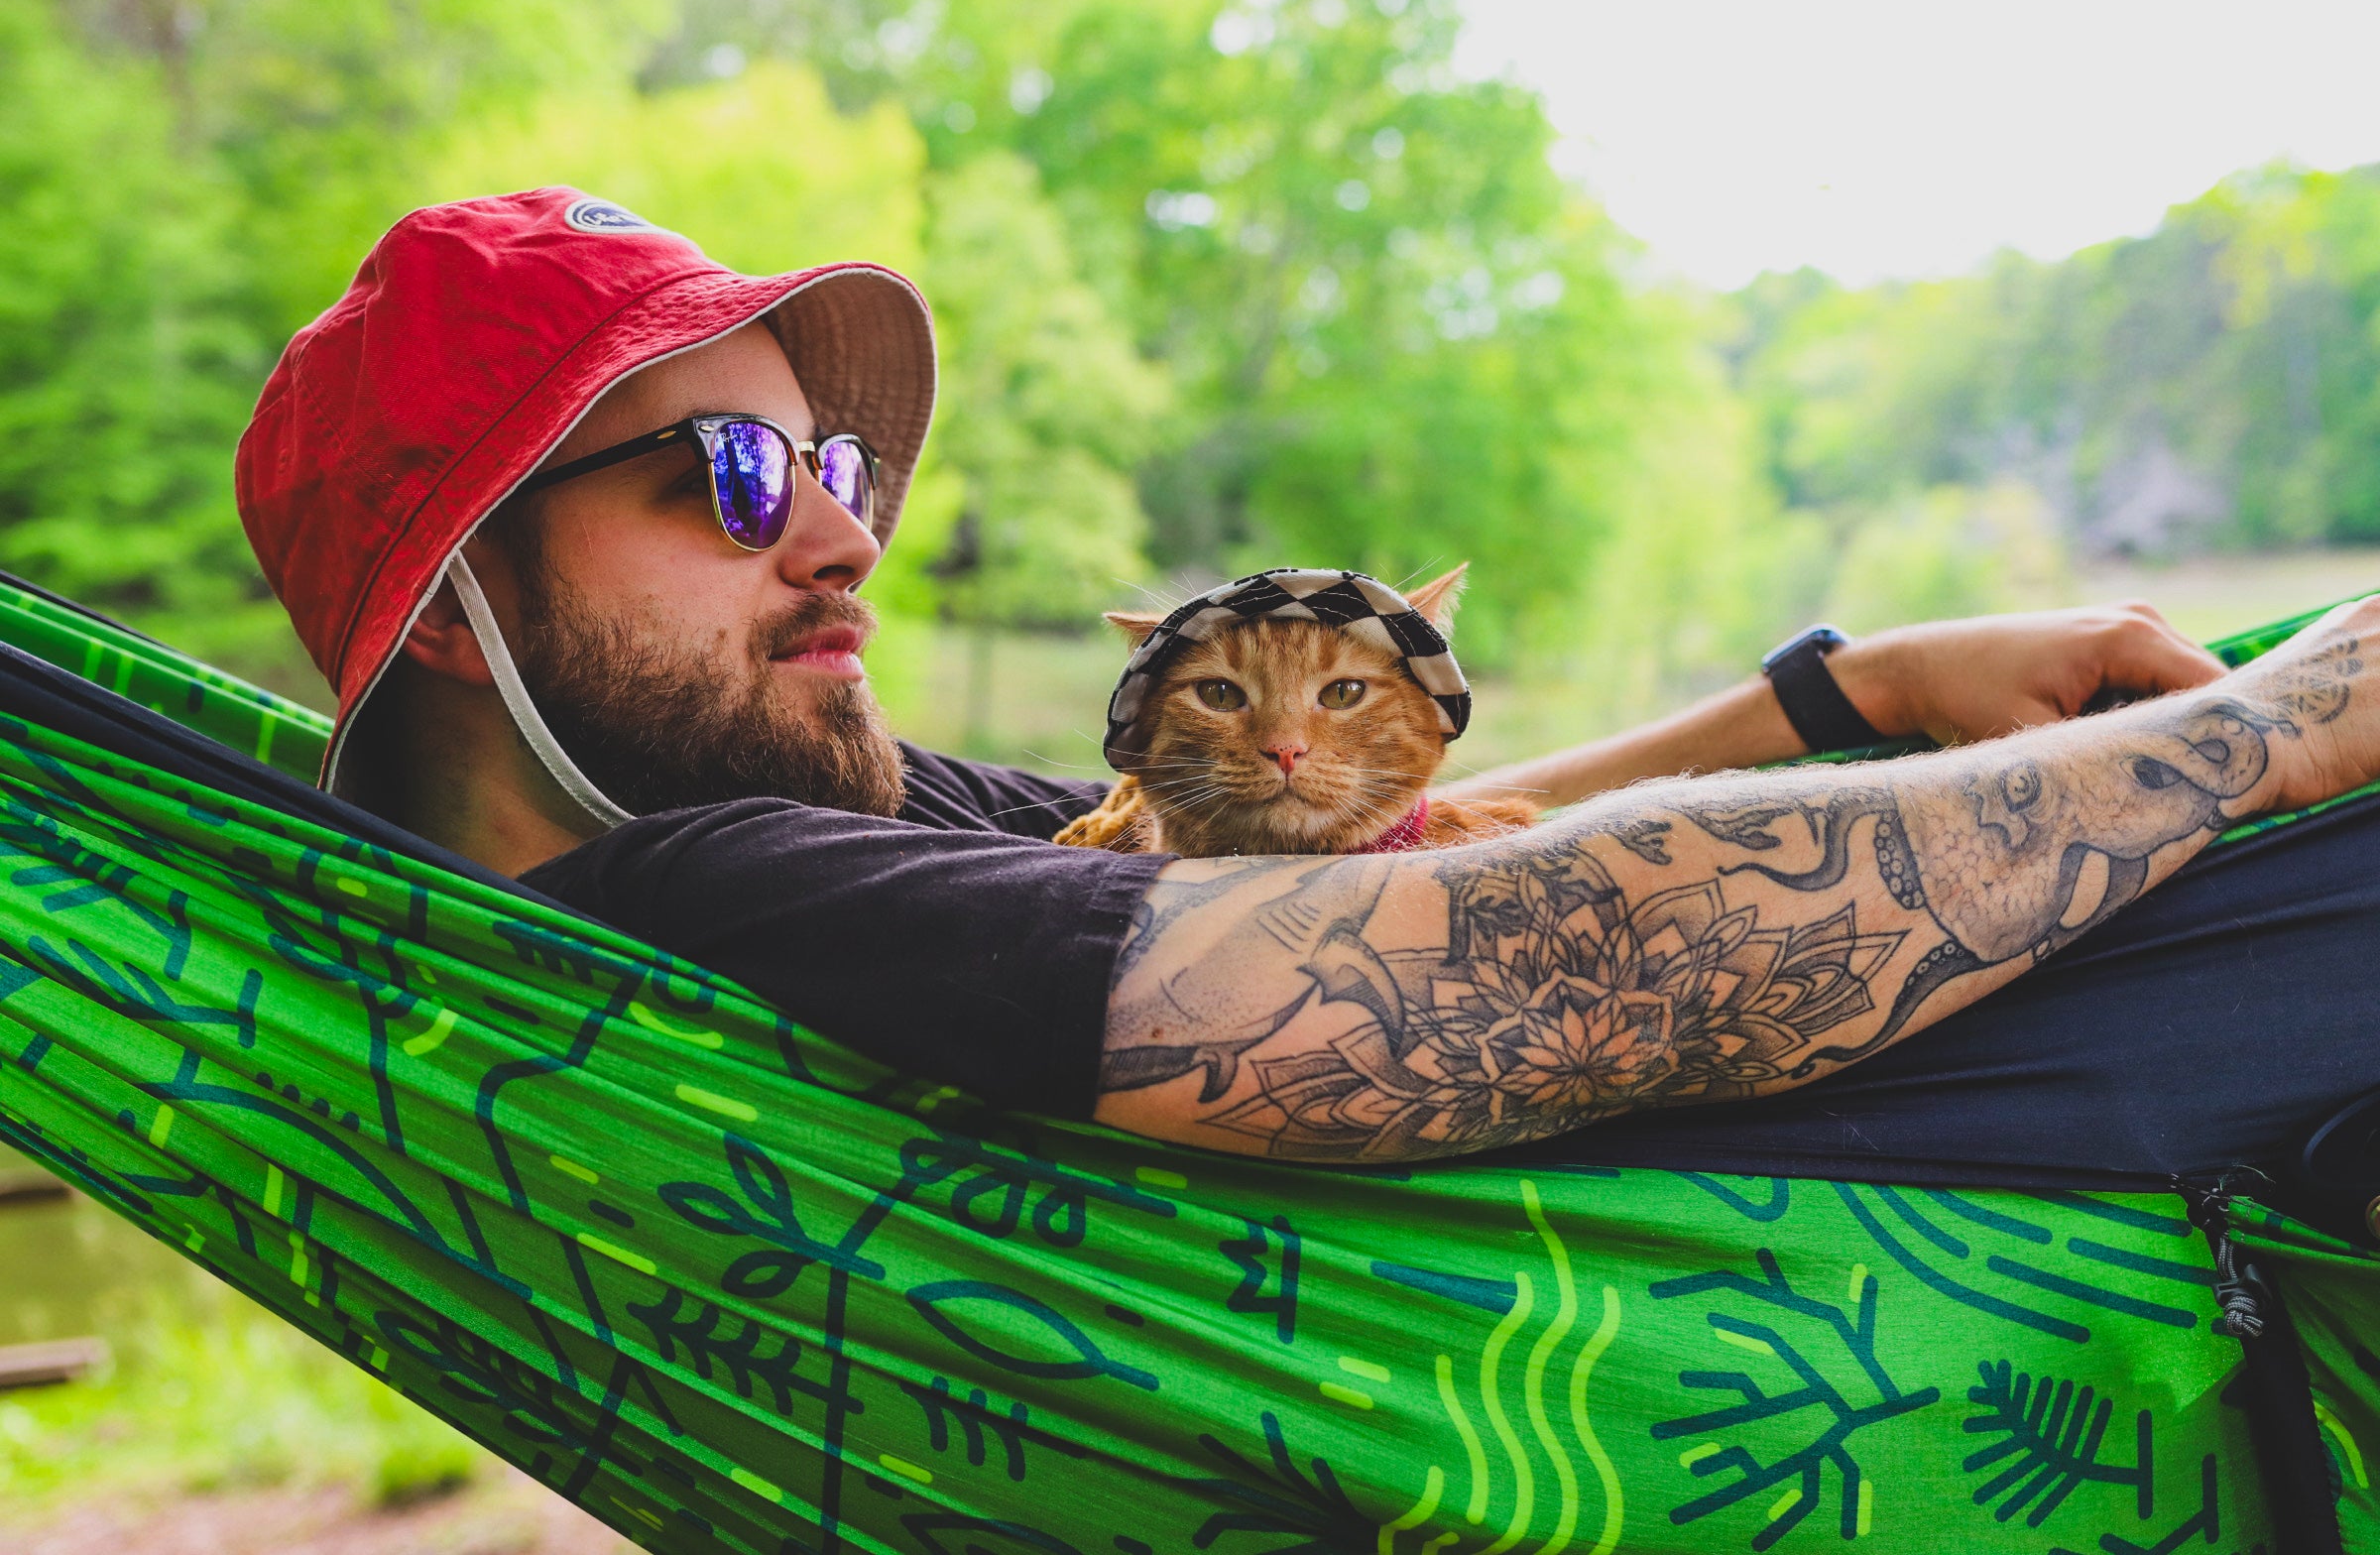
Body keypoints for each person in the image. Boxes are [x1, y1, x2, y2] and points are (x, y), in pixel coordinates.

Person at [238, 188, 2380, 1190]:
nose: (846, 532)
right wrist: (2264, 727)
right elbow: (1547, 958)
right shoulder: (715, 891)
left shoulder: (834, 817)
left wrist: (1834, 695)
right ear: (454, 604)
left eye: (834, 459)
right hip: (1990, 1127)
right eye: (728, 474)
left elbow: (1357, 853)